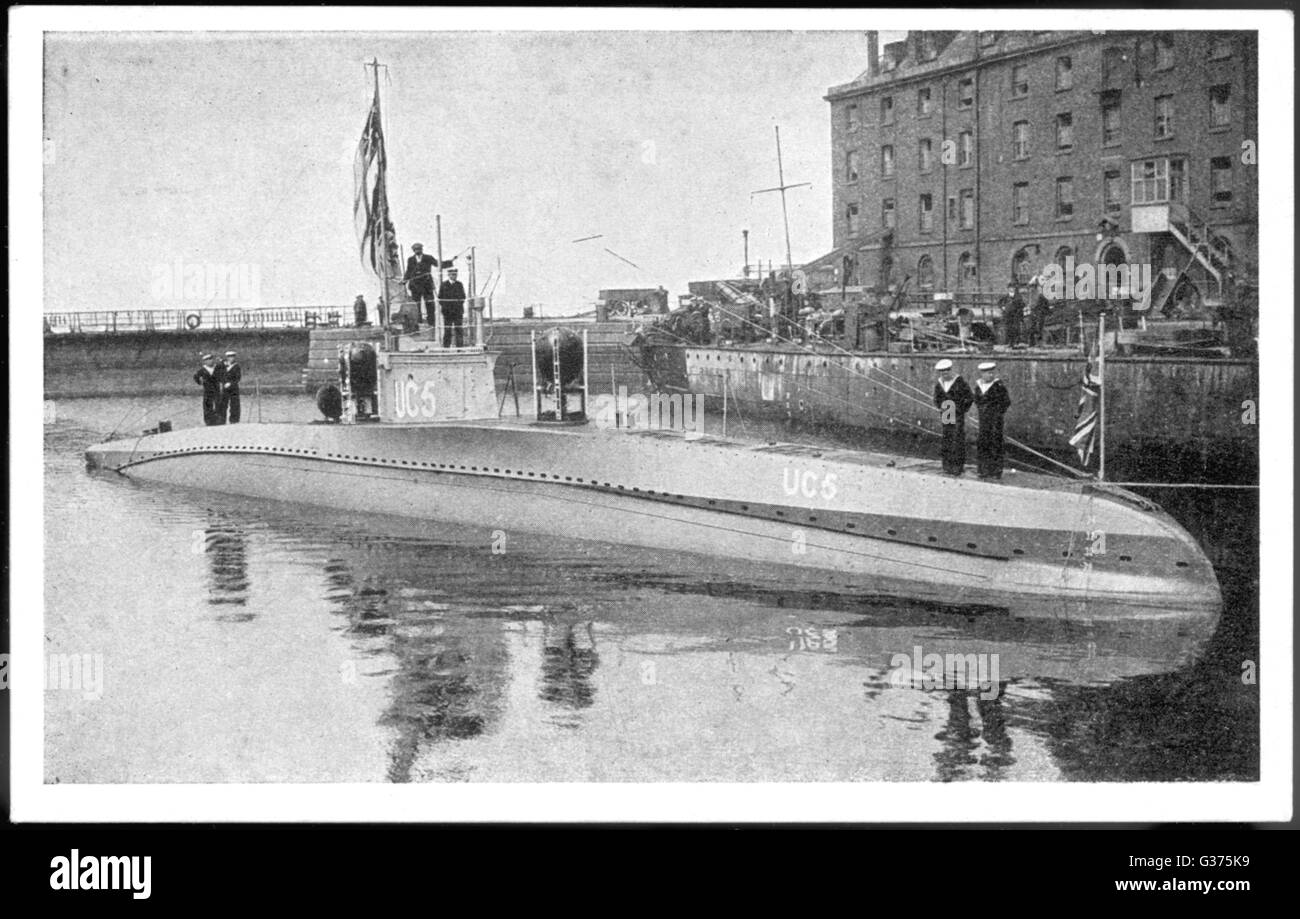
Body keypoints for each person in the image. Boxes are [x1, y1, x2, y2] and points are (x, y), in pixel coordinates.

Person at [933, 358, 973, 475]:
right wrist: (941, 406)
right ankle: (947, 466)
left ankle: (957, 467)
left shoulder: (960, 382)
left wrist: (961, 409)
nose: (945, 374)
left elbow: (969, 397)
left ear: (950, 370)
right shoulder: (940, 384)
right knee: (947, 438)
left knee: (957, 438)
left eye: (947, 371)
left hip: (957, 414)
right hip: (946, 413)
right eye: (942, 372)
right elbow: (936, 398)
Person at [972, 360, 1011, 479]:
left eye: (992, 373)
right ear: (982, 374)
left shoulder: (998, 386)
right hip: (983, 420)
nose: (991, 375)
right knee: (983, 443)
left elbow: (1006, 402)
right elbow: (977, 400)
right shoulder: (979, 386)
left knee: (995, 444)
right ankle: (983, 470)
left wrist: (996, 413)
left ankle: (995, 471)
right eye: (988, 373)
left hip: (995, 421)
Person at [404, 243, 437, 326]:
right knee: (416, 305)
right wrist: (404, 280)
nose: (417, 251)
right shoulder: (410, 259)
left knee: (430, 304)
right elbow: (408, 271)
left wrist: (450, 262)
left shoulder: (428, 258)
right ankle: (418, 323)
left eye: (419, 249)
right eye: (415, 249)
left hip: (427, 285)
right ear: (413, 250)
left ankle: (431, 323)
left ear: (422, 249)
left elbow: (438, 264)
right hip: (415, 285)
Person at [438, 266, 467, 348]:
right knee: (447, 330)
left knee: (459, 330)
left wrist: (457, 305)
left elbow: (463, 297)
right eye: (452, 274)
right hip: (447, 312)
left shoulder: (459, 284)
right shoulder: (444, 285)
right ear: (449, 275)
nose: (454, 276)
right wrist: (446, 307)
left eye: (455, 274)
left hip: (457, 311)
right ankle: (446, 347)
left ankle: (460, 347)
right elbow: (440, 297)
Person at [193, 353, 225, 426]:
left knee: (218, 404)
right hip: (207, 390)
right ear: (205, 361)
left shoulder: (217, 368)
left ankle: (219, 421)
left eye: (211, 359)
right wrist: (200, 382)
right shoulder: (202, 370)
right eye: (207, 360)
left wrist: (221, 361)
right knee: (207, 405)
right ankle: (209, 421)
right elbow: (196, 377)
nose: (210, 361)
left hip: (216, 389)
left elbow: (223, 369)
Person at [220, 350, 242, 424]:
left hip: (234, 388)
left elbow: (238, 378)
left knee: (235, 405)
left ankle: (234, 420)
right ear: (227, 358)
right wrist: (224, 383)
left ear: (234, 358)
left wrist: (231, 383)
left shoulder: (236, 366)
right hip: (225, 388)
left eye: (232, 357)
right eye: (229, 357)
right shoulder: (223, 366)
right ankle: (222, 420)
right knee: (223, 404)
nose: (231, 358)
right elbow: (221, 375)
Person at [1029, 279, 1052, 347]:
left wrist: (1048, 312)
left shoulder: (1041, 295)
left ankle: (1038, 343)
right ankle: (1033, 343)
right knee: (1034, 328)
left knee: (1039, 328)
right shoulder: (1033, 294)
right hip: (1035, 314)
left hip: (1040, 314)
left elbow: (1046, 305)